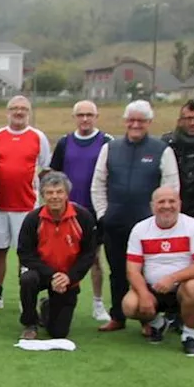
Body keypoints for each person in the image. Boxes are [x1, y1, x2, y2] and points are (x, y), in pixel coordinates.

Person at [92, 100, 181, 333]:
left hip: (148, 226)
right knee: (118, 271)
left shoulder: (162, 150)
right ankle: (118, 317)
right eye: (131, 120)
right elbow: (98, 184)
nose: (135, 124)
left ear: (149, 122)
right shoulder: (110, 148)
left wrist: (162, 220)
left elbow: (171, 188)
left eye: (141, 121)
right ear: (125, 121)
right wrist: (104, 214)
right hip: (116, 222)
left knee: (147, 272)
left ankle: (148, 319)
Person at [0, 95, 52, 312]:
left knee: (25, 254)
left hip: (28, 207)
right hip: (0, 206)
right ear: (7, 111)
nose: (19, 112)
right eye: (14, 108)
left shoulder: (38, 137)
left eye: (23, 108)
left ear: (28, 112)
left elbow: (46, 169)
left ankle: (26, 297)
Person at [123, 187, 194, 356]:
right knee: (129, 305)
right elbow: (132, 270)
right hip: (153, 288)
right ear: (152, 206)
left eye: (172, 201)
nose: (167, 206)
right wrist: (143, 294)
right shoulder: (140, 229)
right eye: (161, 202)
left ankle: (189, 335)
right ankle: (158, 324)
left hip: (182, 287)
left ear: (179, 204)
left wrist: (173, 278)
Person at [50, 100, 113, 323]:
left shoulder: (106, 142)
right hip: (66, 213)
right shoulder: (65, 143)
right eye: (81, 115)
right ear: (74, 117)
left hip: (94, 212)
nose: (85, 119)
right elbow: (53, 177)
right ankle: (56, 301)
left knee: (94, 258)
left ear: (96, 116)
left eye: (89, 115)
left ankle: (98, 303)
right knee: (60, 257)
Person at [16, 171, 98, 340]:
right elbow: (25, 254)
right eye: (49, 192)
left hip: (68, 277)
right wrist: (52, 275)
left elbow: (88, 254)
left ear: (67, 194)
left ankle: (47, 306)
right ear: (43, 195)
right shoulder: (33, 219)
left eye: (59, 192)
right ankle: (30, 322)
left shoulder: (83, 217)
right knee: (27, 279)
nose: (54, 197)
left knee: (58, 333)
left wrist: (69, 277)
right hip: (42, 273)